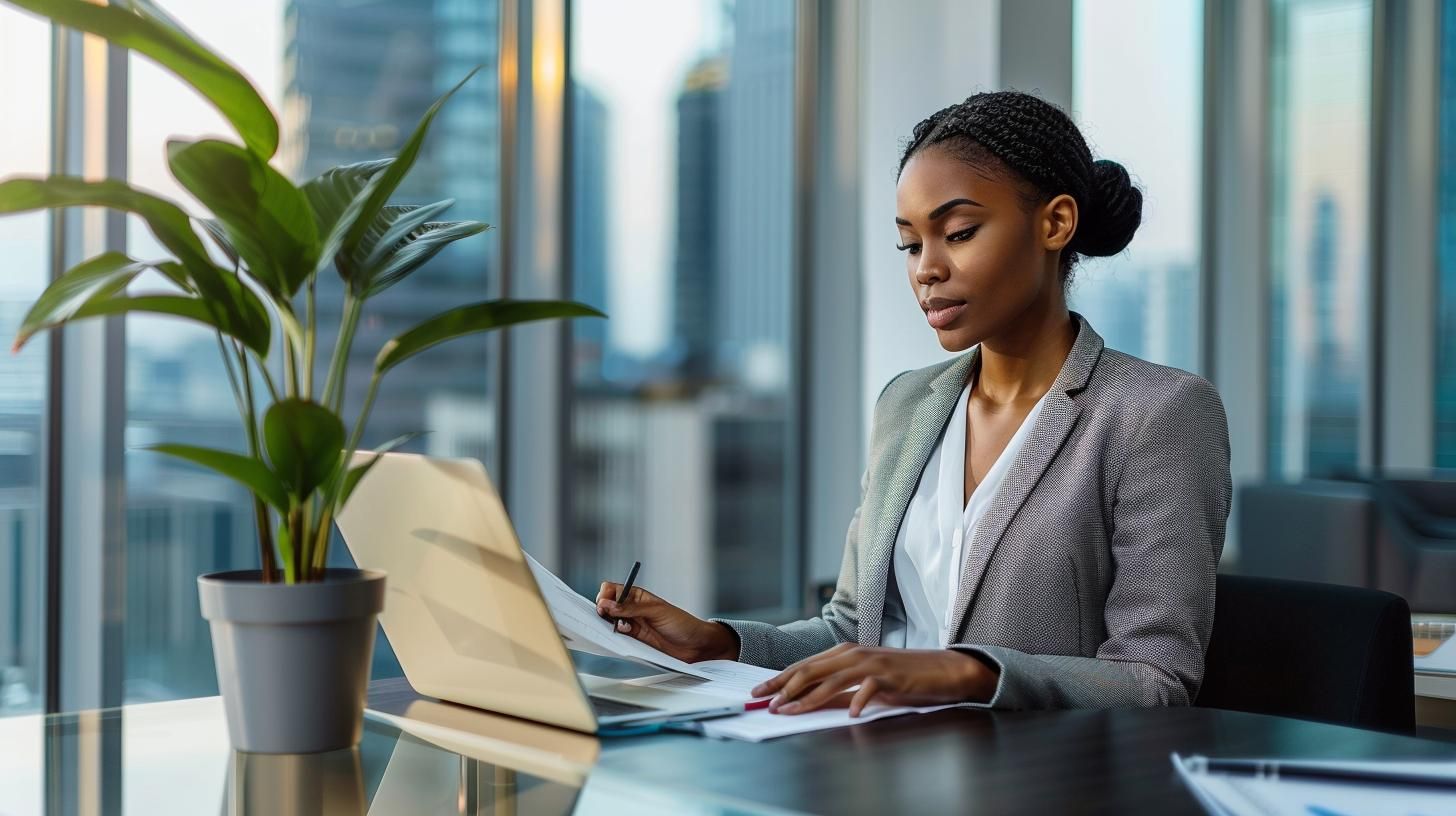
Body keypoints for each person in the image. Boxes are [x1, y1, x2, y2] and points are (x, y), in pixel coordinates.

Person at [596, 90, 1232, 717]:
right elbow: (854, 632)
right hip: (882, 762)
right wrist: (720, 643)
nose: (926, 269)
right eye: (909, 244)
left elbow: (1156, 680)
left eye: (958, 232)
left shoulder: (1158, 412)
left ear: (1054, 223)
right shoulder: (906, 404)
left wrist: (964, 672)